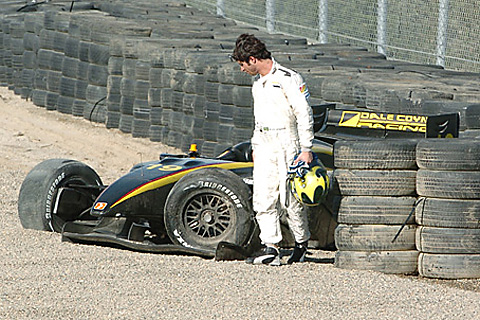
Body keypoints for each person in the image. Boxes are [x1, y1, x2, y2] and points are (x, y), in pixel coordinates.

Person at [231, 34, 314, 266]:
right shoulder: (257, 84)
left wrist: (306, 148)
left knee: (291, 199)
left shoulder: (288, 78)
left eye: (242, 64)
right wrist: (256, 146)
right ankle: (271, 247)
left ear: (253, 59)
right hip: (264, 142)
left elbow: (304, 113)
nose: (241, 69)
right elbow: (259, 120)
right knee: (262, 197)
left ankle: (301, 244)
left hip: (288, 143)